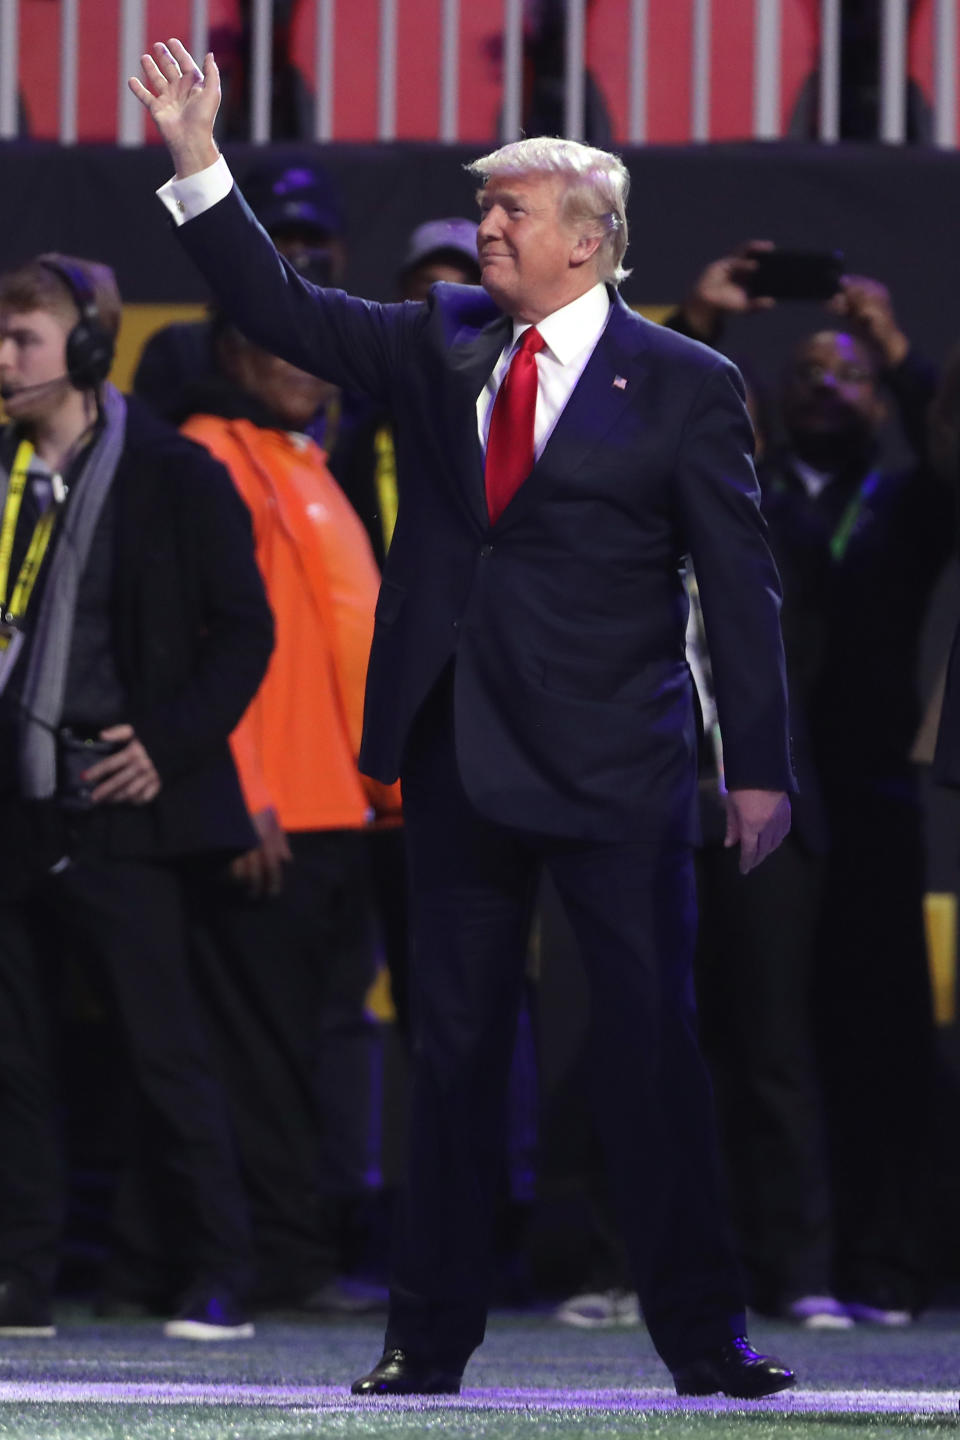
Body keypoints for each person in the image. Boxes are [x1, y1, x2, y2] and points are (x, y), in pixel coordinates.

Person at [131, 39, 796, 1399]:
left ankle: (704, 1338)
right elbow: (273, 303)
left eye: (511, 210)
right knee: (450, 1053)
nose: (485, 226)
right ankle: (424, 1343)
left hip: (619, 767)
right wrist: (198, 159)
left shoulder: (684, 383)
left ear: (590, 241)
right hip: (455, 761)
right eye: (482, 205)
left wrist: (762, 773)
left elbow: (743, 593)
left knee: (648, 1052)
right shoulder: (435, 341)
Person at [672, 249, 948, 1326]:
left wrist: (898, 347)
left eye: (849, 374)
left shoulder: (912, 499)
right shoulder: (746, 493)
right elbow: (657, 424)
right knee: (758, 1034)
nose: (824, 385)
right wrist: (703, 321)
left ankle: (884, 1262)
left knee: (879, 1037)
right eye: (806, 373)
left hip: (871, 798)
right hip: (758, 792)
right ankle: (771, 1259)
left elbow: (956, 442)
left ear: (879, 400)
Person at [0, 253, 273, 1338]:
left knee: (165, 1052)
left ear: (86, 344)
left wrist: (166, 742)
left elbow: (246, 632)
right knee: (12, 1059)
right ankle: (21, 1272)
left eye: (22, 337)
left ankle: (217, 1269)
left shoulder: (173, 469)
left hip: (123, 800)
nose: (2, 357)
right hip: (12, 806)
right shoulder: (4, 469)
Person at [179, 316, 401, 1308]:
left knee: (313, 1045)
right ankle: (282, 1260)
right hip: (271, 811)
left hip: (342, 807)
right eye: (277, 345)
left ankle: (294, 1246)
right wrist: (242, 791)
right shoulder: (205, 454)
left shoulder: (306, 459)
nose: (304, 366)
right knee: (262, 1052)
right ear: (230, 355)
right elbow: (198, 641)